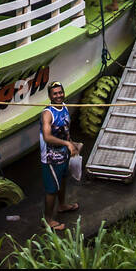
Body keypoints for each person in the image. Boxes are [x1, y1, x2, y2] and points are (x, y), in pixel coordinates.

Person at [40, 81, 81, 230]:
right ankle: (48, 220)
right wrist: (67, 144)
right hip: (50, 157)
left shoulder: (64, 107)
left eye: (60, 92)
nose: (59, 95)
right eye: (55, 93)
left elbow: (65, 129)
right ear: (50, 96)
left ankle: (62, 205)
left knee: (63, 180)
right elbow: (47, 136)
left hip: (63, 154)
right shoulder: (47, 113)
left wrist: (72, 143)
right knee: (52, 189)